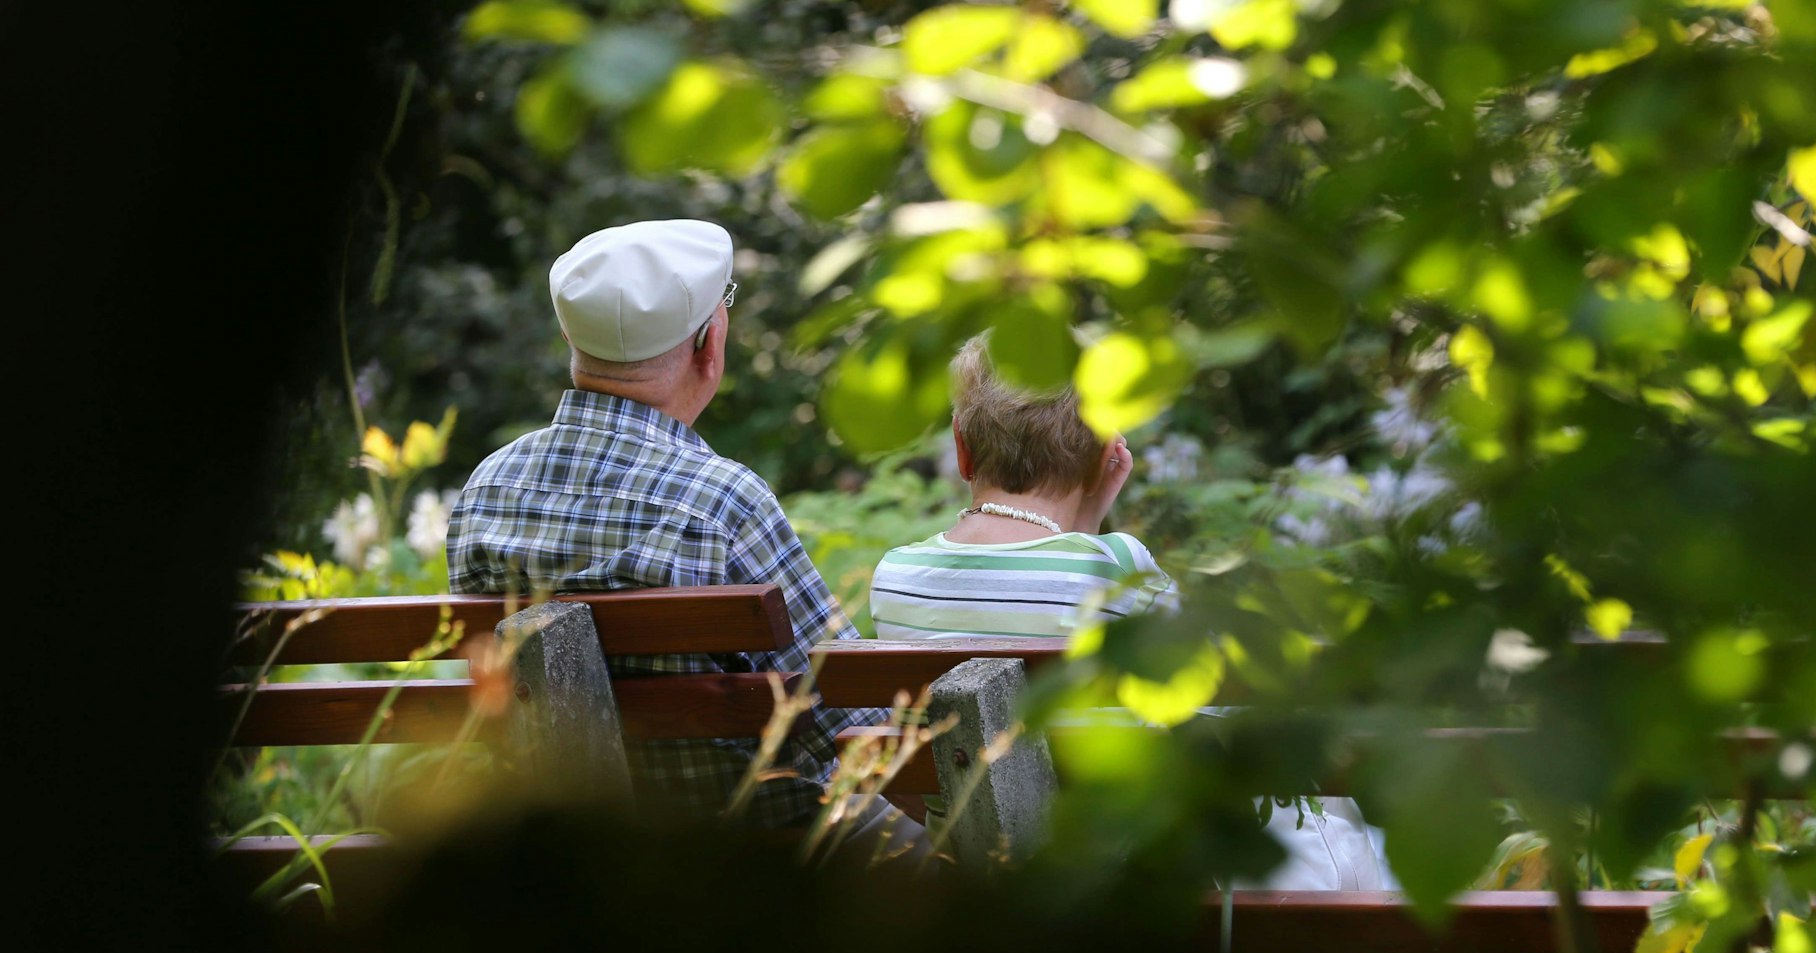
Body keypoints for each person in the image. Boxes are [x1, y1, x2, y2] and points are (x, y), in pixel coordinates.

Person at [447, 219, 925, 860]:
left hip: (560, 853)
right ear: (710, 342)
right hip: (751, 855)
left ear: (571, 338)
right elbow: (850, 723)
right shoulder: (722, 501)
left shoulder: (488, 488)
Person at [871, 332, 1387, 889]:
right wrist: (1092, 522)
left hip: (973, 876)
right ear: (1102, 456)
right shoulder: (1118, 567)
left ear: (962, 449)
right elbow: (1201, 703)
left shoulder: (896, 574)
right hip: (1115, 878)